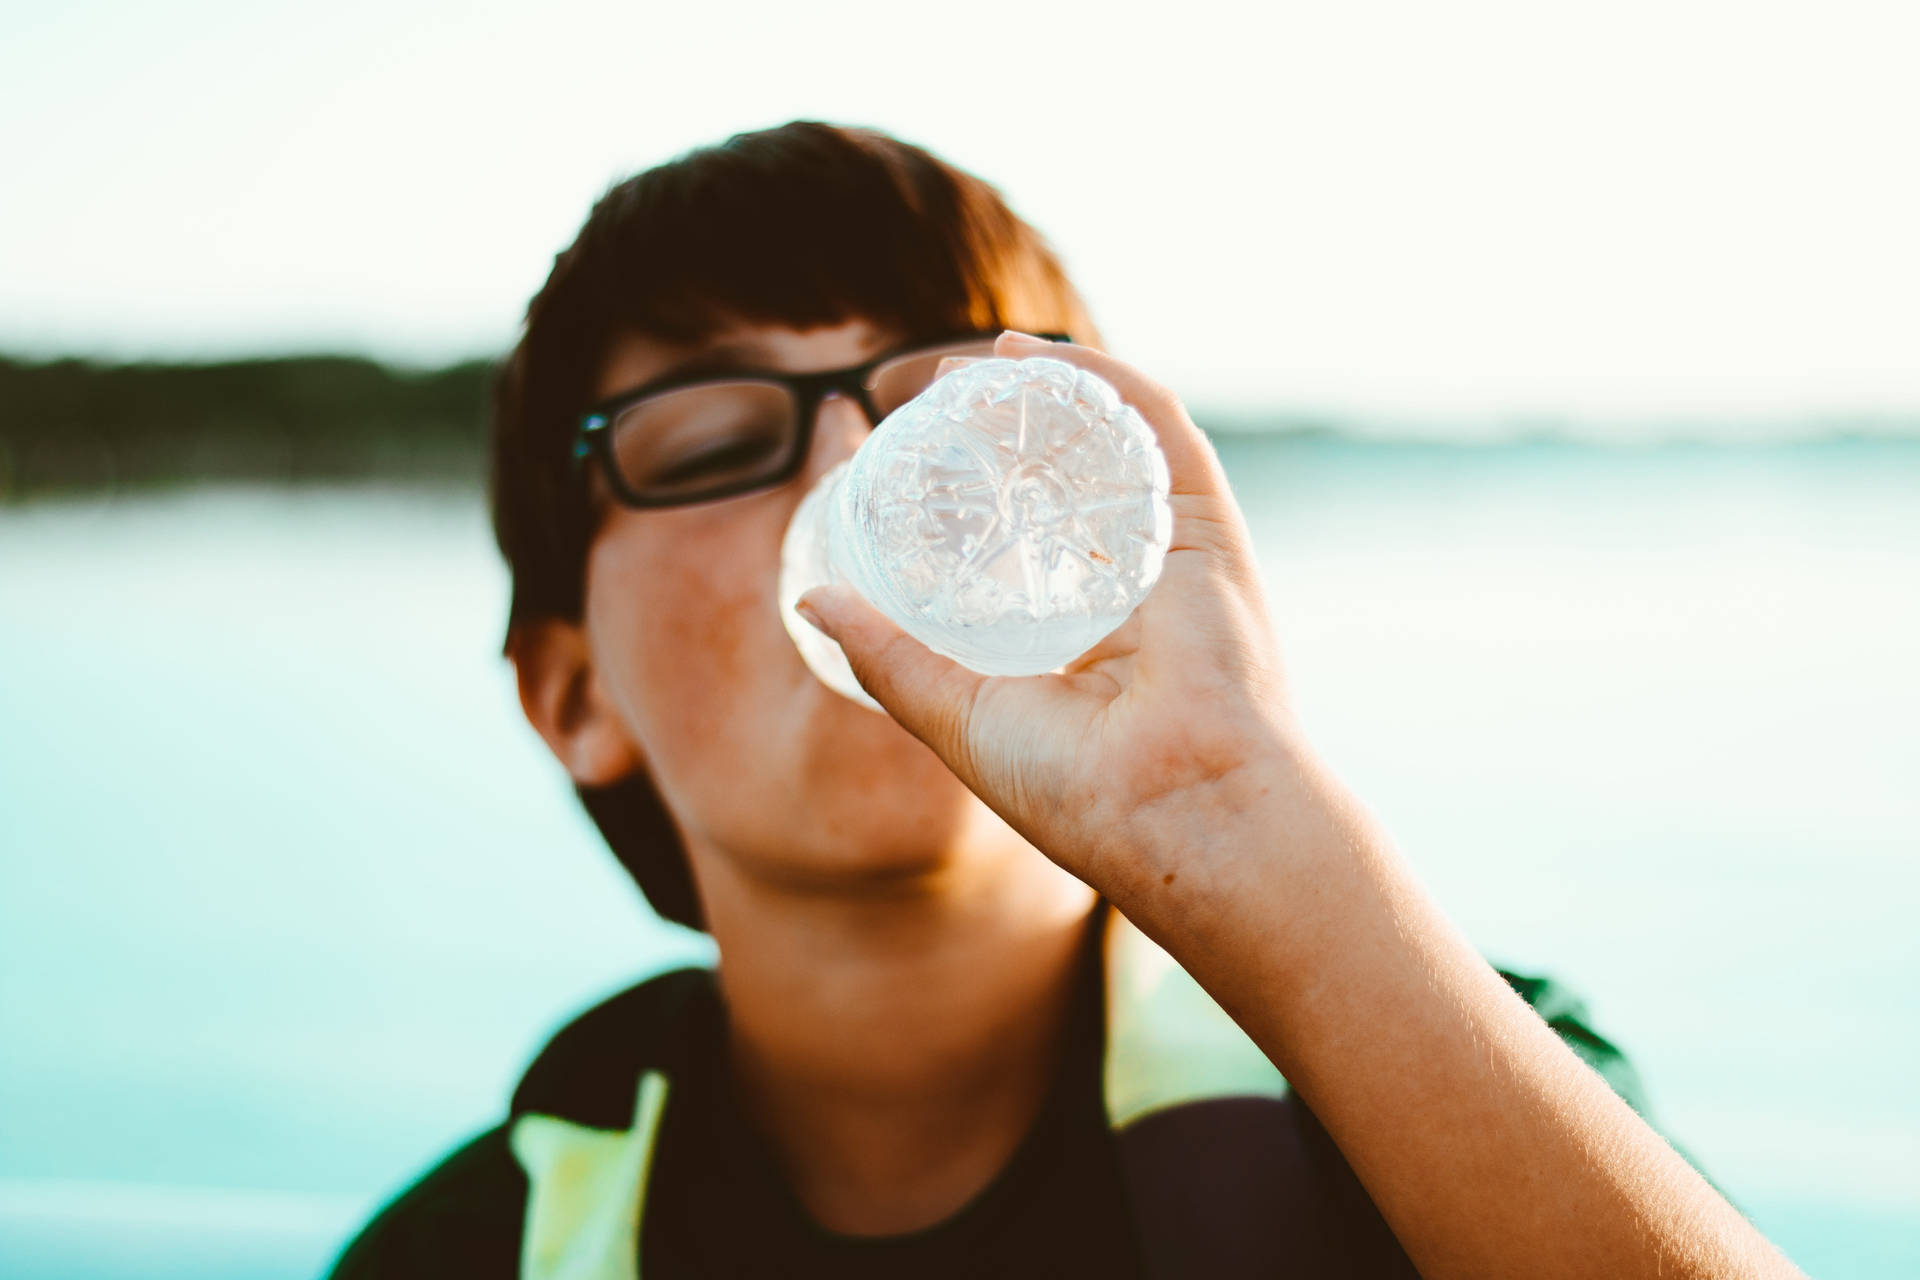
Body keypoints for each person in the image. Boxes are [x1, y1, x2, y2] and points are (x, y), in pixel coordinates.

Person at [328, 120, 1801, 1279]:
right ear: (572, 689)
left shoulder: (1452, 1096)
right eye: (716, 437)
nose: (867, 479)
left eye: (959, 416)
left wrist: (1239, 817)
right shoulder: (463, 1253)